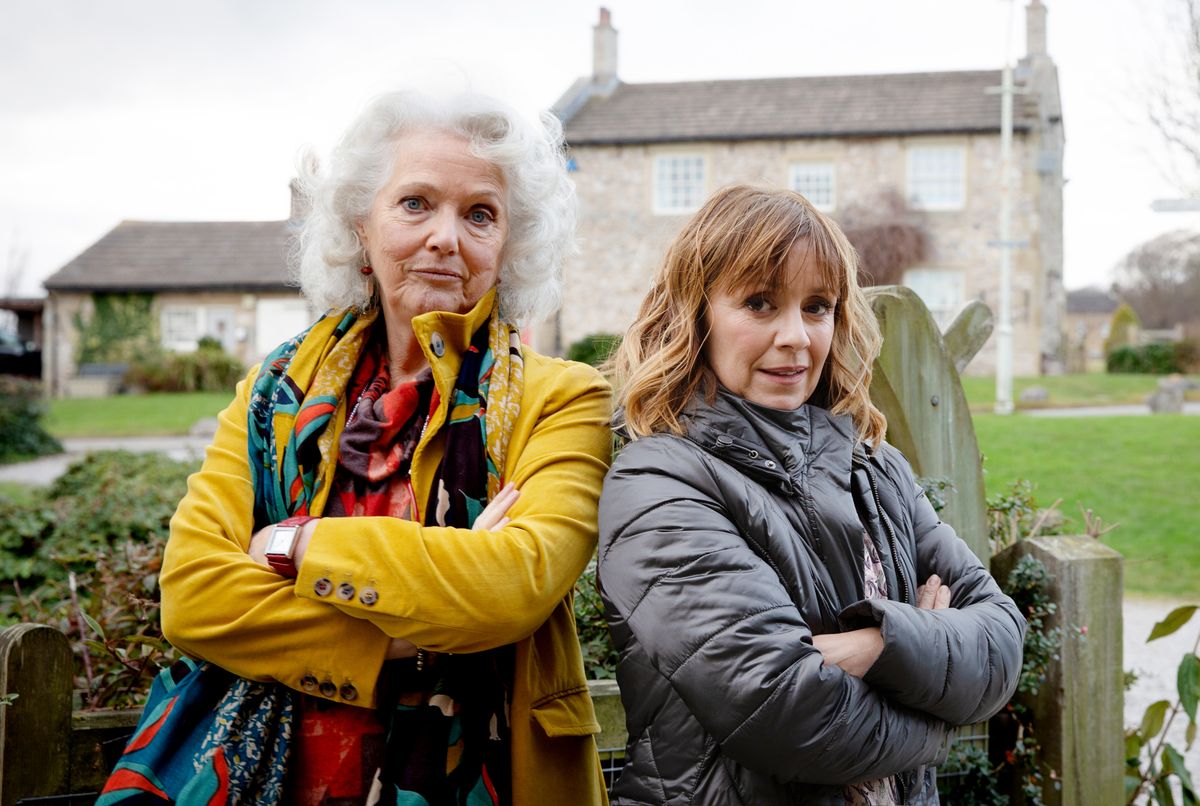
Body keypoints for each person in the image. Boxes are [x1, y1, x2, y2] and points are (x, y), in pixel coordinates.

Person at [155, 91, 612, 805]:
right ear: (359, 226)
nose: (445, 236)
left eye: (480, 214)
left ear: (509, 247)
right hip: (281, 778)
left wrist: (290, 546)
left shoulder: (564, 400)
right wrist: (413, 629)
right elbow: (191, 595)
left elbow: (509, 588)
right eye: (415, 203)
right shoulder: (271, 394)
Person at [597, 185, 1025, 804]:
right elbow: (789, 713)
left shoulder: (877, 469)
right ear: (696, 315)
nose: (796, 336)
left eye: (817, 306)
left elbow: (1001, 641)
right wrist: (937, 705)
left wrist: (877, 644)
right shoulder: (660, 485)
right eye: (760, 303)